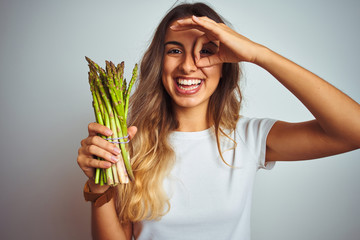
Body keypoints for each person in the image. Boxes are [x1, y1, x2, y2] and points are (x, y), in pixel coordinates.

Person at [77, 2, 360, 240]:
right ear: (158, 63)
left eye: (206, 51)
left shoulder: (249, 136)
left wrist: (258, 54)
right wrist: (99, 188)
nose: (188, 65)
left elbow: (354, 131)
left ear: (226, 66)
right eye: (175, 50)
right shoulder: (128, 140)